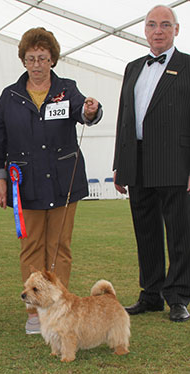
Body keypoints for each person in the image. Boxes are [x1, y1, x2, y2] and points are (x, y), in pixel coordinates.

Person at [0, 27, 103, 334]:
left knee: (59, 248)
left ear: (53, 60)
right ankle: (35, 313)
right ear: (23, 60)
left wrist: (91, 111)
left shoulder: (67, 88)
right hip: (25, 185)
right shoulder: (10, 96)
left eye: (43, 58)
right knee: (32, 248)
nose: (37, 64)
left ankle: (59, 309)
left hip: (64, 182)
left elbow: (83, 112)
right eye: (31, 58)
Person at [113, 5, 190, 322]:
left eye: (165, 25)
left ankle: (179, 296)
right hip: (137, 160)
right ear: (144, 30)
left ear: (176, 30)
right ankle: (151, 294)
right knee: (145, 232)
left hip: (175, 160)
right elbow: (124, 119)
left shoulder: (187, 66)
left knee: (180, 233)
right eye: (152, 25)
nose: (158, 30)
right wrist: (120, 162)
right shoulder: (133, 68)